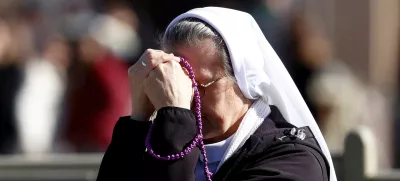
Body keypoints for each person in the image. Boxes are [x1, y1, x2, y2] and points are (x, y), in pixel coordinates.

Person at [96, 7, 337, 181]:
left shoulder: (294, 159)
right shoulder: (161, 142)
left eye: (199, 85)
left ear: (244, 82)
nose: (186, 99)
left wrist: (176, 118)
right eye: (179, 84)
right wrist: (139, 118)